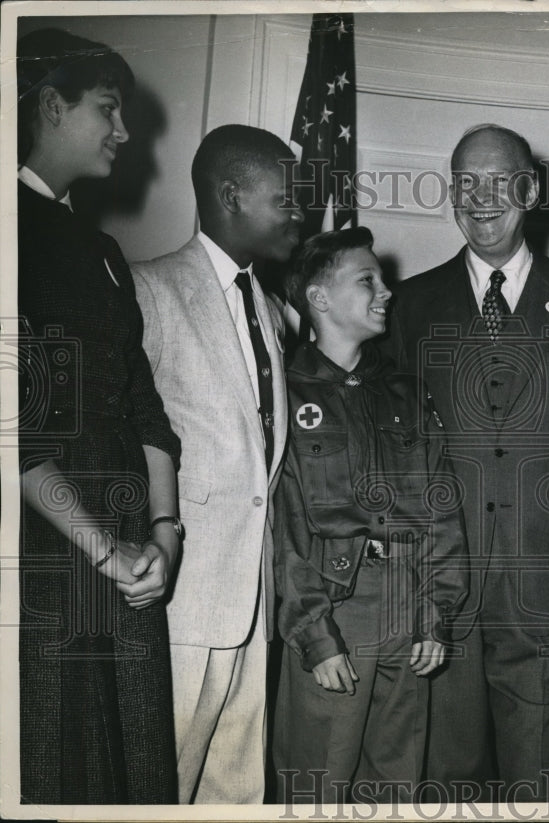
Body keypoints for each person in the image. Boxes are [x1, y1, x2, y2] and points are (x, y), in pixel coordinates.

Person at [387, 123, 549, 800]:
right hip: (443, 590)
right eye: (465, 183)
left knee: (537, 774)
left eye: (498, 182)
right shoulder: (409, 305)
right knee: (448, 779)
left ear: (530, 190)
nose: (480, 198)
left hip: (544, 588)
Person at [16, 28, 180, 804]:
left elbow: (144, 402)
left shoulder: (102, 247)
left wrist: (164, 535)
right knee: (55, 762)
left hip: (130, 550)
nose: (123, 132)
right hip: (51, 551)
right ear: (51, 105)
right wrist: (103, 550)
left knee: (136, 774)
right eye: (107, 109)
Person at [132, 124, 303, 803]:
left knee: (235, 792)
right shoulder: (152, 289)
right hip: (186, 599)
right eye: (286, 198)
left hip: (253, 602)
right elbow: (131, 442)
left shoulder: (269, 308)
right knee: (160, 785)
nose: (299, 212)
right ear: (231, 195)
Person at [271, 228, 469, 802]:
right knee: (318, 784)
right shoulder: (286, 391)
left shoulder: (405, 391)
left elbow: (442, 507)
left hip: (408, 608)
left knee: (395, 782)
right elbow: (285, 531)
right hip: (335, 610)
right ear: (319, 297)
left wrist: (435, 611)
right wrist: (316, 634)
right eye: (368, 280)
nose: (387, 291)